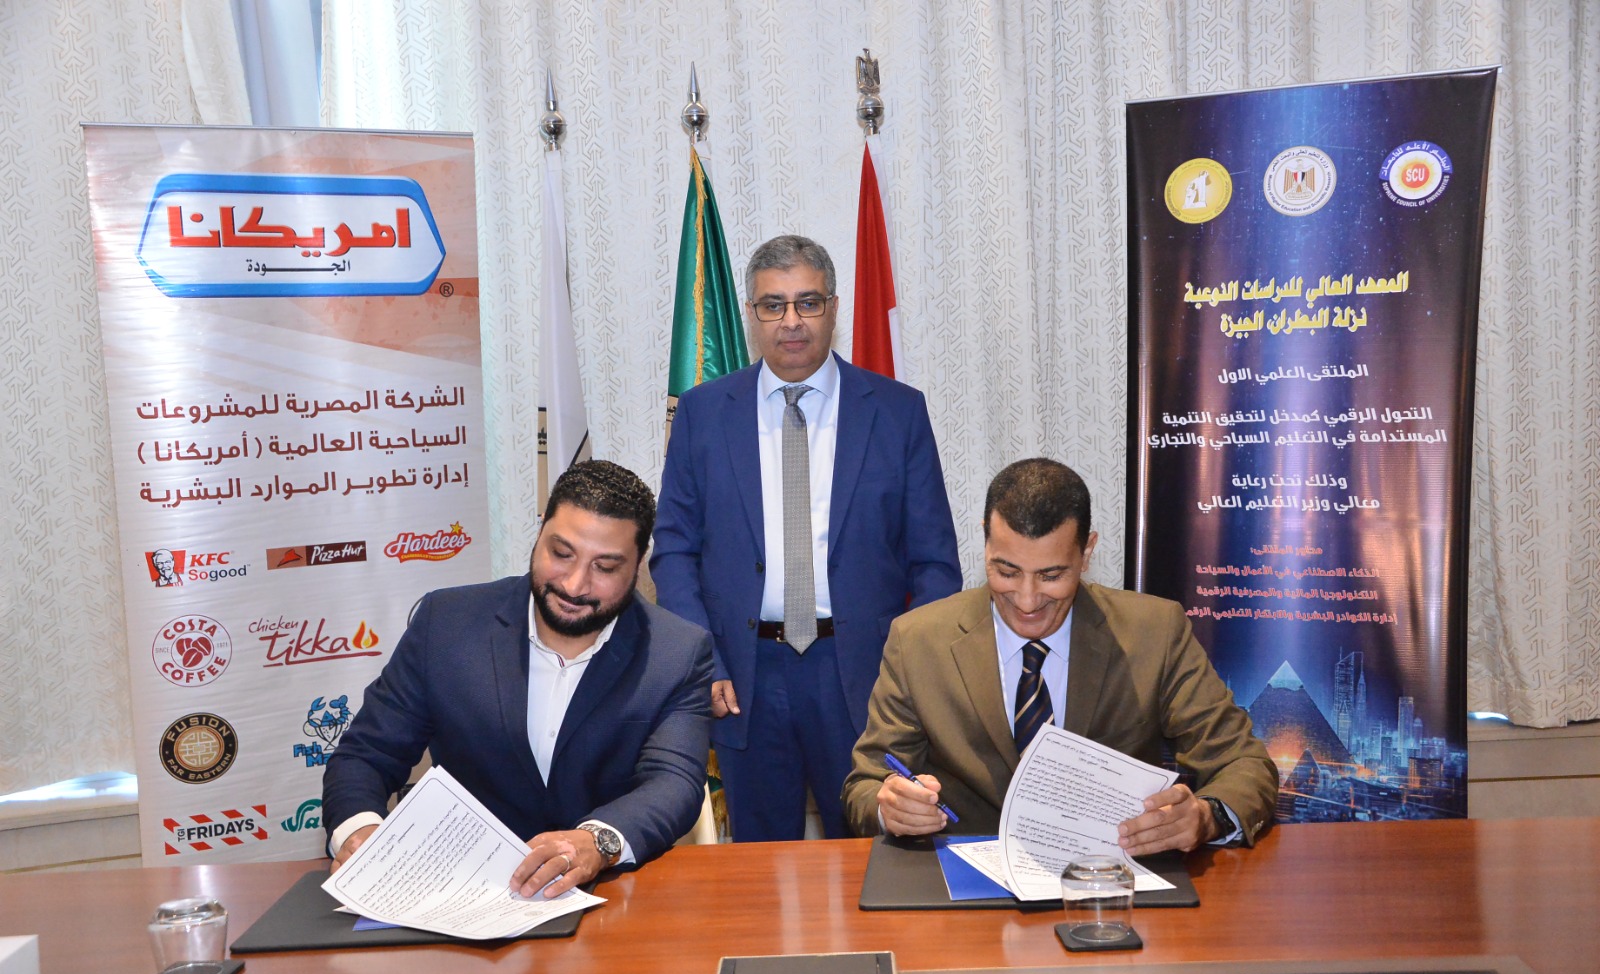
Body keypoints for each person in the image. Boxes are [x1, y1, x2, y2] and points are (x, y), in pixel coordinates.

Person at [653, 234, 961, 841]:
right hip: (743, 677)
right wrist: (704, 660)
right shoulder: (703, 413)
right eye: (773, 305)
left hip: (864, 676)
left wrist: (905, 673)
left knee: (872, 851)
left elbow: (934, 563)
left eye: (808, 302)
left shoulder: (897, 412)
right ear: (751, 314)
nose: (791, 321)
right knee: (759, 863)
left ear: (834, 308)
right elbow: (674, 551)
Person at [843, 457, 1277, 853]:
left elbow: (1244, 763)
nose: (1027, 600)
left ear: (1086, 553)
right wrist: (890, 807)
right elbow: (866, 782)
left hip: (1109, 876)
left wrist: (1205, 817)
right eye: (1006, 571)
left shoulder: (1154, 633)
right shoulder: (918, 640)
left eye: (1051, 576)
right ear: (985, 541)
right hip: (963, 875)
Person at [323, 460, 714, 898]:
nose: (575, 585)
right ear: (539, 531)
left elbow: (673, 781)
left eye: (605, 568)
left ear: (638, 565)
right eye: (561, 554)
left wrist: (597, 842)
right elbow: (367, 754)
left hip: (610, 896)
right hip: (460, 890)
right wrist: (359, 833)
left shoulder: (677, 653)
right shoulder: (446, 624)